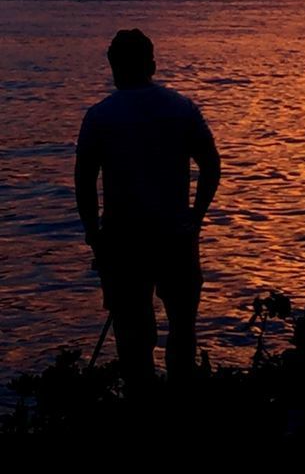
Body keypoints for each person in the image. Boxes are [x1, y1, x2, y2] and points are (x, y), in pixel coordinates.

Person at [74, 28, 221, 391]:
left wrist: (94, 233)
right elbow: (211, 165)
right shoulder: (182, 108)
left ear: (113, 67)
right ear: (152, 64)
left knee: (133, 332)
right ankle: (181, 398)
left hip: (123, 241)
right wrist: (196, 217)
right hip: (176, 236)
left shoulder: (99, 116)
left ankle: (142, 405)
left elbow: (84, 181)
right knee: (182, 328)